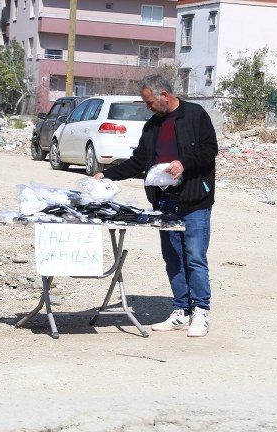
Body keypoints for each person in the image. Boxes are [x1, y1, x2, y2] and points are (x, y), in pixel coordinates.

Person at [93, 74, 218, 337]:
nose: (147, 107)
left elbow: (210, 150)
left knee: (194, 257)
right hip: (165, 202)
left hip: (194, 200)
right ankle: (181, 311)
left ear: (165, 96)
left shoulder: (195, 115)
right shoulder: (152, 127)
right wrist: (108, 174)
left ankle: (201, 312)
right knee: (173, 258)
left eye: (150, 102)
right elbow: (139, 161)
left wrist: (184, 162)